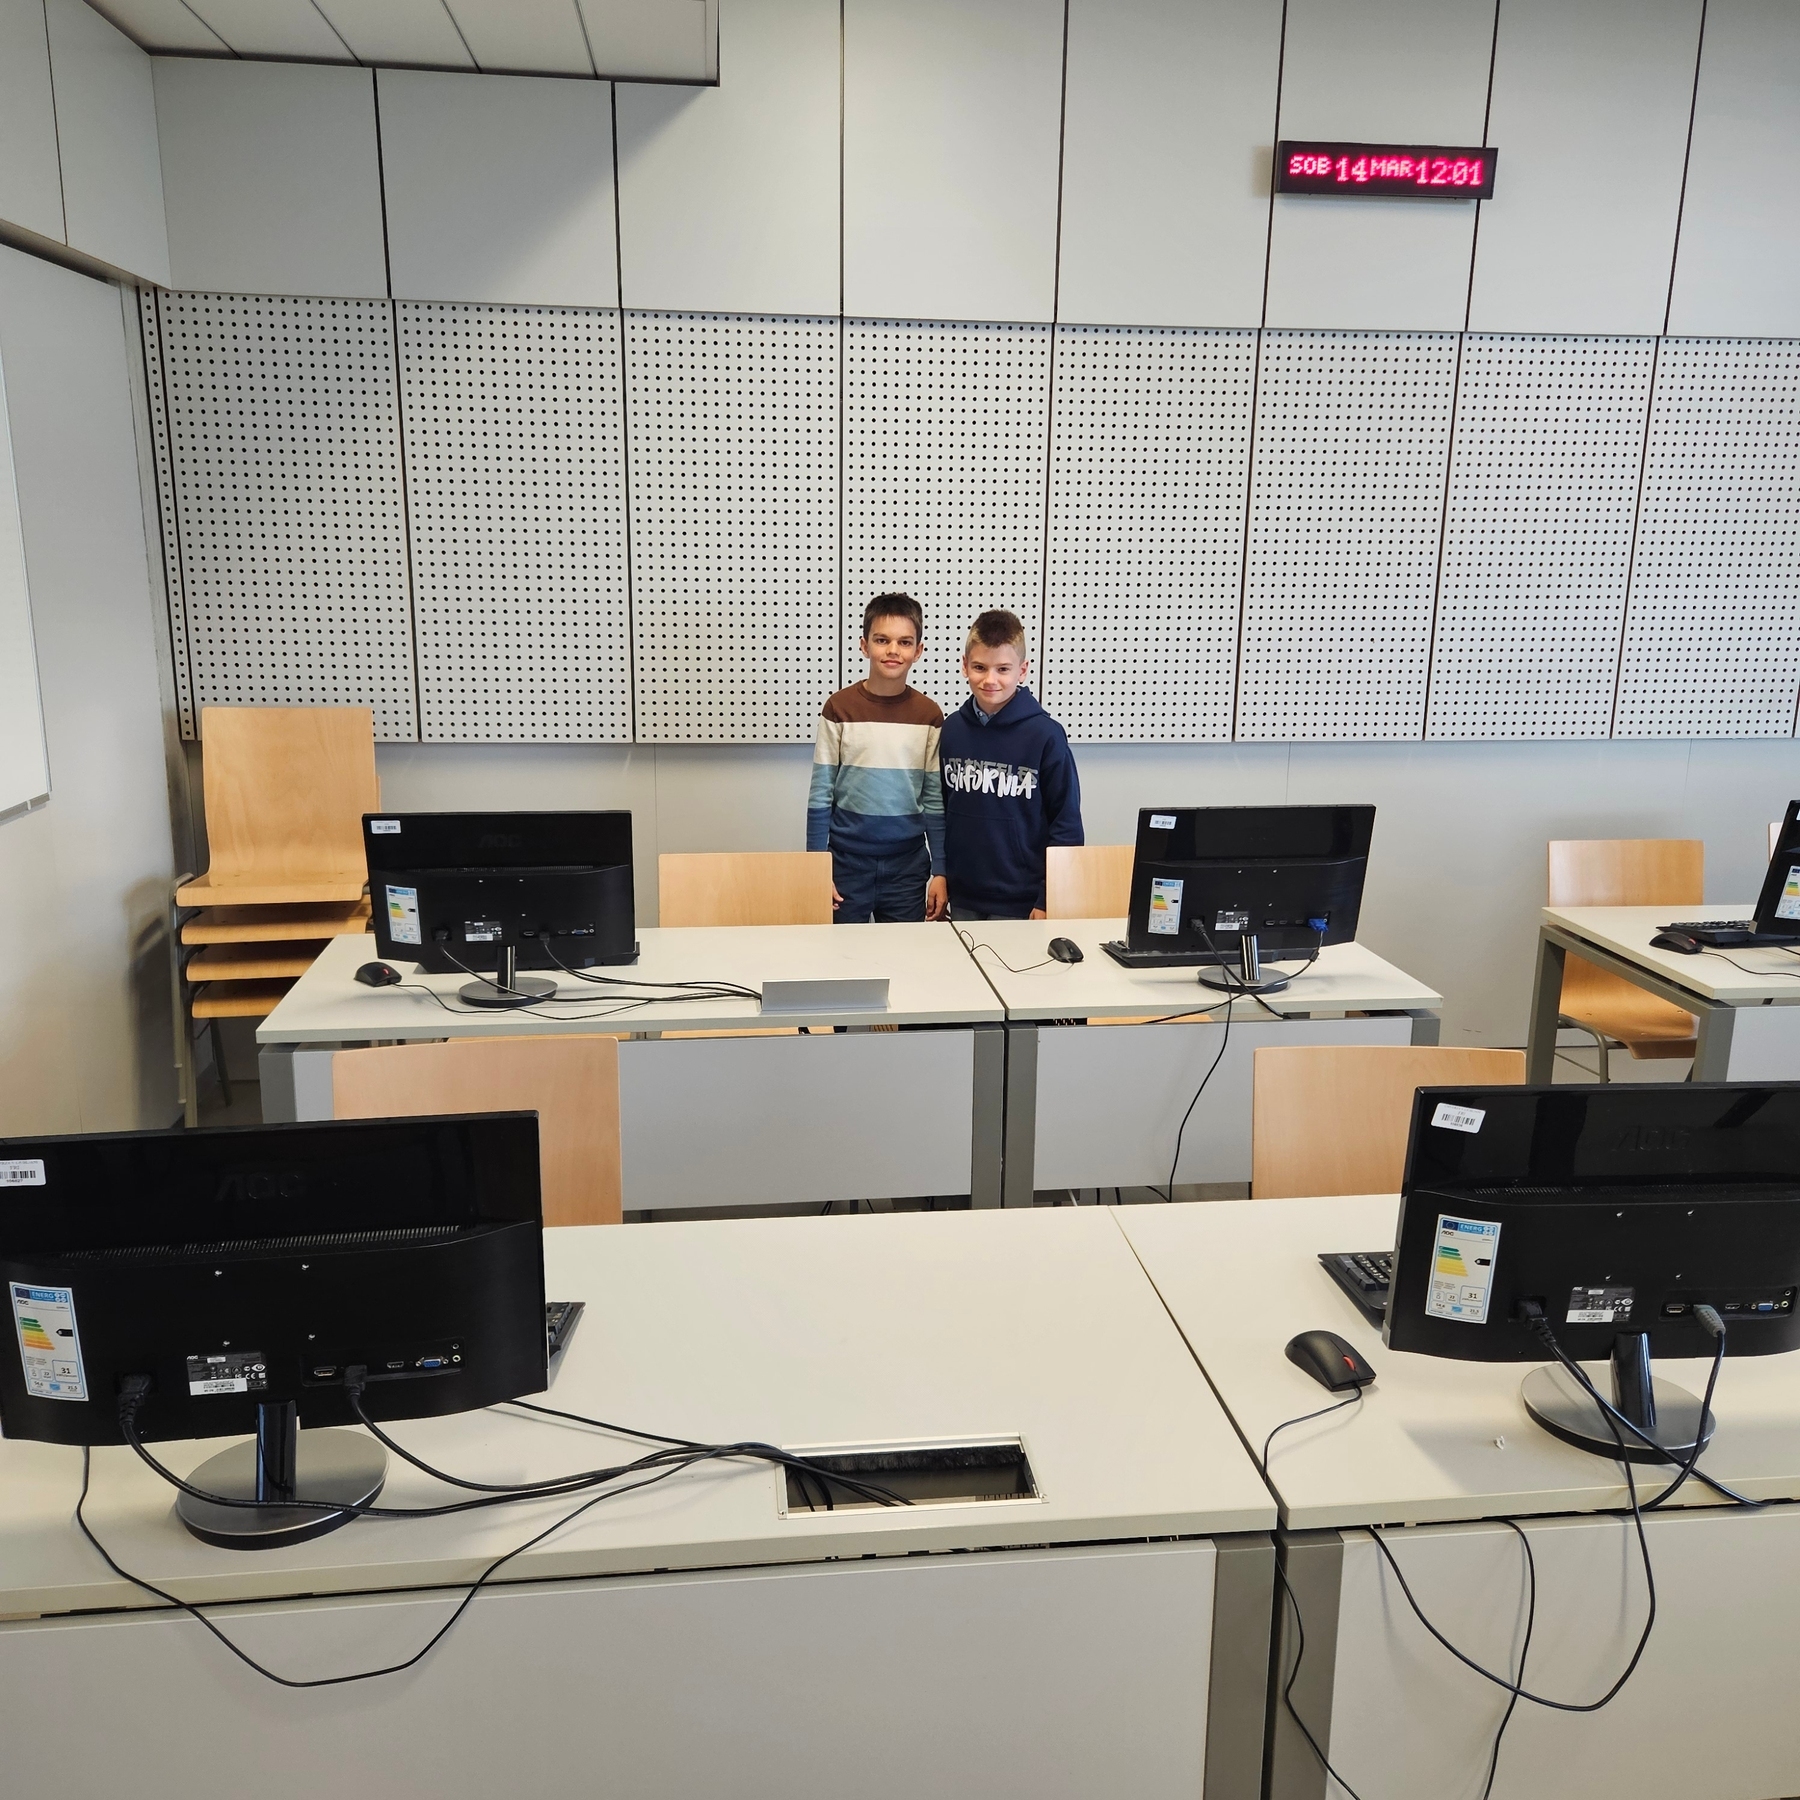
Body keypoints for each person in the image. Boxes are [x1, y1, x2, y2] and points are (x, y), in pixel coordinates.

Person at [806, 593, 949, 923]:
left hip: (907, 868)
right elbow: (821, 794)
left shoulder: (929, 715)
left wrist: (940, 870)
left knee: (902, 952)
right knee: (841, 950)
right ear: (864, 645)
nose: (893, 650)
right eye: (882, 640)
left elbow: (933, 799)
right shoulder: (839, 708)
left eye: (904, 642)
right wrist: (816, 866)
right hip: (845, 866)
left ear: (918, 650)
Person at [939, 610, 1083, 920]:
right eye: (979, 667)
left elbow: (1067, 825)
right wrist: (942, 874)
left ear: (1023, 670)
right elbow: (944, 810)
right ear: (964, 666)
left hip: (1024, 902)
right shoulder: (951, 730)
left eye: (1003, 669)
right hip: (963, 896)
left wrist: (1048, 898)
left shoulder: (1046, 735)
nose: (990, 680)